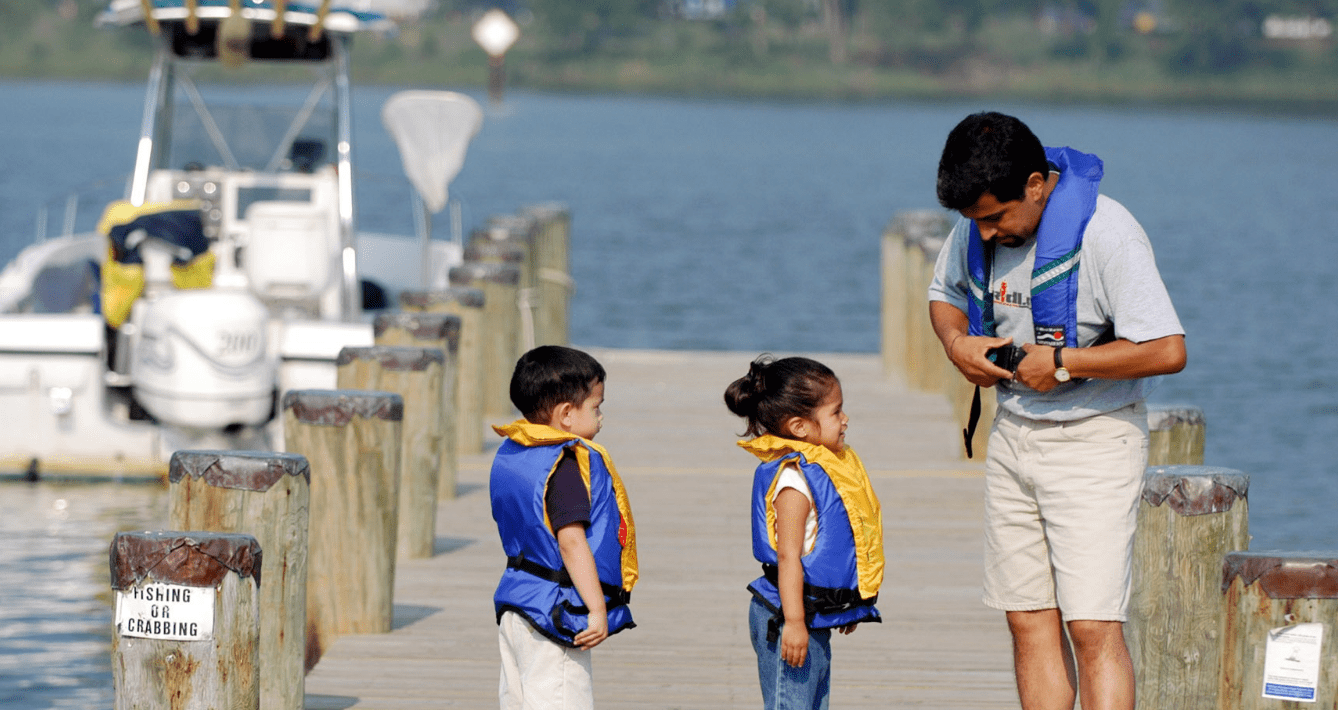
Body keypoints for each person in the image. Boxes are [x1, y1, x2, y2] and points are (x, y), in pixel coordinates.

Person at [927, 111, 1186, 710]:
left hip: (1094, 441)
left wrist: (1065, 363)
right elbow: (944, 296)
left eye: (996, 218)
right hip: (1013, 435)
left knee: (1092, 627)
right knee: (1027, 618)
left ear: (1038, 185)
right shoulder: (976, 224)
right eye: (974, 222)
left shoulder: (1108, 234)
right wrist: (956, 343)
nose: (986, 234)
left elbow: (1168, 350)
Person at [724, 355, 884, 710]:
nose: (845, 420)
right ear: (799, 427)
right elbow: (787, 557)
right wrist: (794, 622)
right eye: (835, 412)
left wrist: (844, 606)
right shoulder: (794, 483)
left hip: (812, 617)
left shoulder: (823, 470)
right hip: (786, 617)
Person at [489, 345, 638, 710]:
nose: (601, 416)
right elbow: (572, 543)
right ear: (567, 414)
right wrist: (597, 609)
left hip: (517, 605)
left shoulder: (517, 453)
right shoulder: (565, 466)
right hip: (555, 613)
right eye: (596, 406)